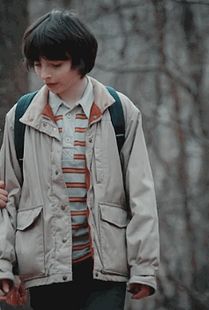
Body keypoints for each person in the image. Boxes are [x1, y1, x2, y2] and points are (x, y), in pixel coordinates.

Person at [0, 9, 160, 310]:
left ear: (80, 61)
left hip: (104, 270)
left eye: (55, 65)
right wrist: (5, 267)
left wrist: (144, 266)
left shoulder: (119, 112)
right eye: (37, 65)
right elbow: (8, 200)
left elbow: (141, 193)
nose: (44, 74)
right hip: (44, 271)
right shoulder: (21, 117)